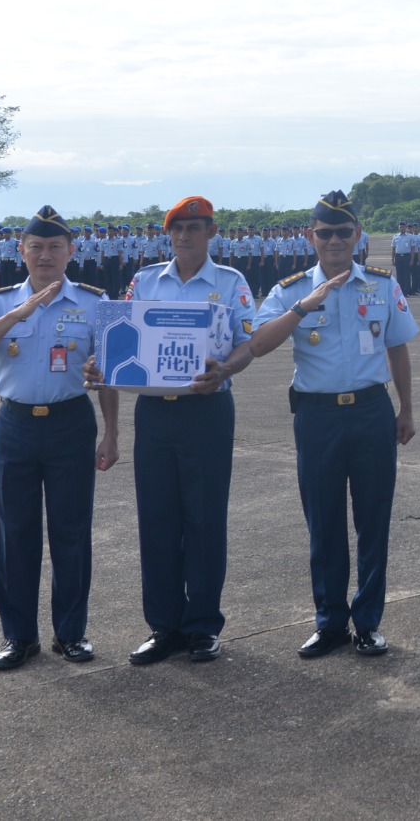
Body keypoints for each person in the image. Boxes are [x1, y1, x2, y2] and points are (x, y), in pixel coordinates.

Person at [87, 195, 256, 665]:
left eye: (194, 228)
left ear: (211, 232)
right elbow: (118, 339)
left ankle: (202, 626)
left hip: (207, 410)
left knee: (204, 518)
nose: (185, 236)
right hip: (155, 414)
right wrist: (101, 365)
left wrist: (225, 370)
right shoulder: (145, 281)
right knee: (157, 517)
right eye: (177, 228)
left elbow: (249, 343)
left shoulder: (231, 282)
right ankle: (163, 626)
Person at [251, 190, 419, 658]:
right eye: (325, 233)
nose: (334, 241)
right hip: (318, 416)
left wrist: (406, 408)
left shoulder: (382, 285)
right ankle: (329, 622)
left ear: (358, 235)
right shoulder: (291, 290)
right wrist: (304, 307)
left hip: (371, 411)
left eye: (343, 232)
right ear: (312, 237)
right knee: (323, 522)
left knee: (373, 521)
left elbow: (398, 348)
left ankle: (368, 622)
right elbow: (258, 345)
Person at [0, 205, 120, 670]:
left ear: (71, 251)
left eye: (54, 247)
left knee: (72, 532)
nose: (45, 255)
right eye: (36, 247)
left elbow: (109, 375)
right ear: (21, 251)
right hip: (17, 425)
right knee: (16, 533)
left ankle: (70, 633)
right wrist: (18, 314)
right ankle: (19, 636)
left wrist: (111, 434)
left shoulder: (95, 302)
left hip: (71, 424)